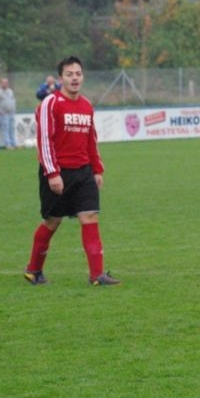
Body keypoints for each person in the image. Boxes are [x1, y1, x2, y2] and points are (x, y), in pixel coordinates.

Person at [24, 56, 120, 286]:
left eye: (78, 74)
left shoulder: (86, 105)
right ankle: (33, 270)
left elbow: (91, 140)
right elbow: (44, 140)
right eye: (69, 74)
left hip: (84, 172)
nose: (74, 78)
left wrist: (97, 169)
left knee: (90, 216)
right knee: (52, 221)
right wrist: (52, 173)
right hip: (58, 172)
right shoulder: (51, 103)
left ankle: (97, 275)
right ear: (61, 78)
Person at [0, 77, 17, 149]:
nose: (5, 84)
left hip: (11, 113)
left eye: (6, 82)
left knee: (12, 128)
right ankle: (7, 144)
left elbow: (13, 100)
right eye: (4, 83)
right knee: (5, 129)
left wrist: (13, 109)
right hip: (3, 114)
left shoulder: (10, 91)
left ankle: (13, 143)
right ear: (0, 83)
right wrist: (1, 111)